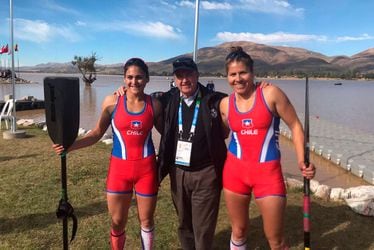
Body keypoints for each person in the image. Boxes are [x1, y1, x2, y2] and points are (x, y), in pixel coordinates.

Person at [52, 58, 163, 250]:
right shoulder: (112, 101)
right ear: (124, 78)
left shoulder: (155, 104)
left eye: (139, 77)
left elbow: (168, 135)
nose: (134, 81)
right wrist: (70, 146)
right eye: (129, 77)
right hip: (119, 172)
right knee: (117, 221)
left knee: (146, 221)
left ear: (147, 79)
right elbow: (96, 134)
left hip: (147, 170)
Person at [219, 47, 316, 250]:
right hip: (234, 174)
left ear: (252, 73)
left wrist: (301, 160)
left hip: (267, 176)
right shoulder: (225, 104)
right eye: (232, 74)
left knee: (276, 240)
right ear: (227, 76)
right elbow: (221, 134)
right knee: (238, 231)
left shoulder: (271, 93)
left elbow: (296, 126)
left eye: (243, 72)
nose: (238, 78)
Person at [157, 57, 228, 250]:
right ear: (174, 78)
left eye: (188, 74)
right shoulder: (168, 99)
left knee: (203, 227)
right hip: (177, 172)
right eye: (180, 75)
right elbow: (139, 99)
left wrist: (259, 89)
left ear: (197, 75)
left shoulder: (214, 100)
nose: (184, 80)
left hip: (206, 173)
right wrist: (121, 92)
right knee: (183, 223)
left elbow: (241, 102)